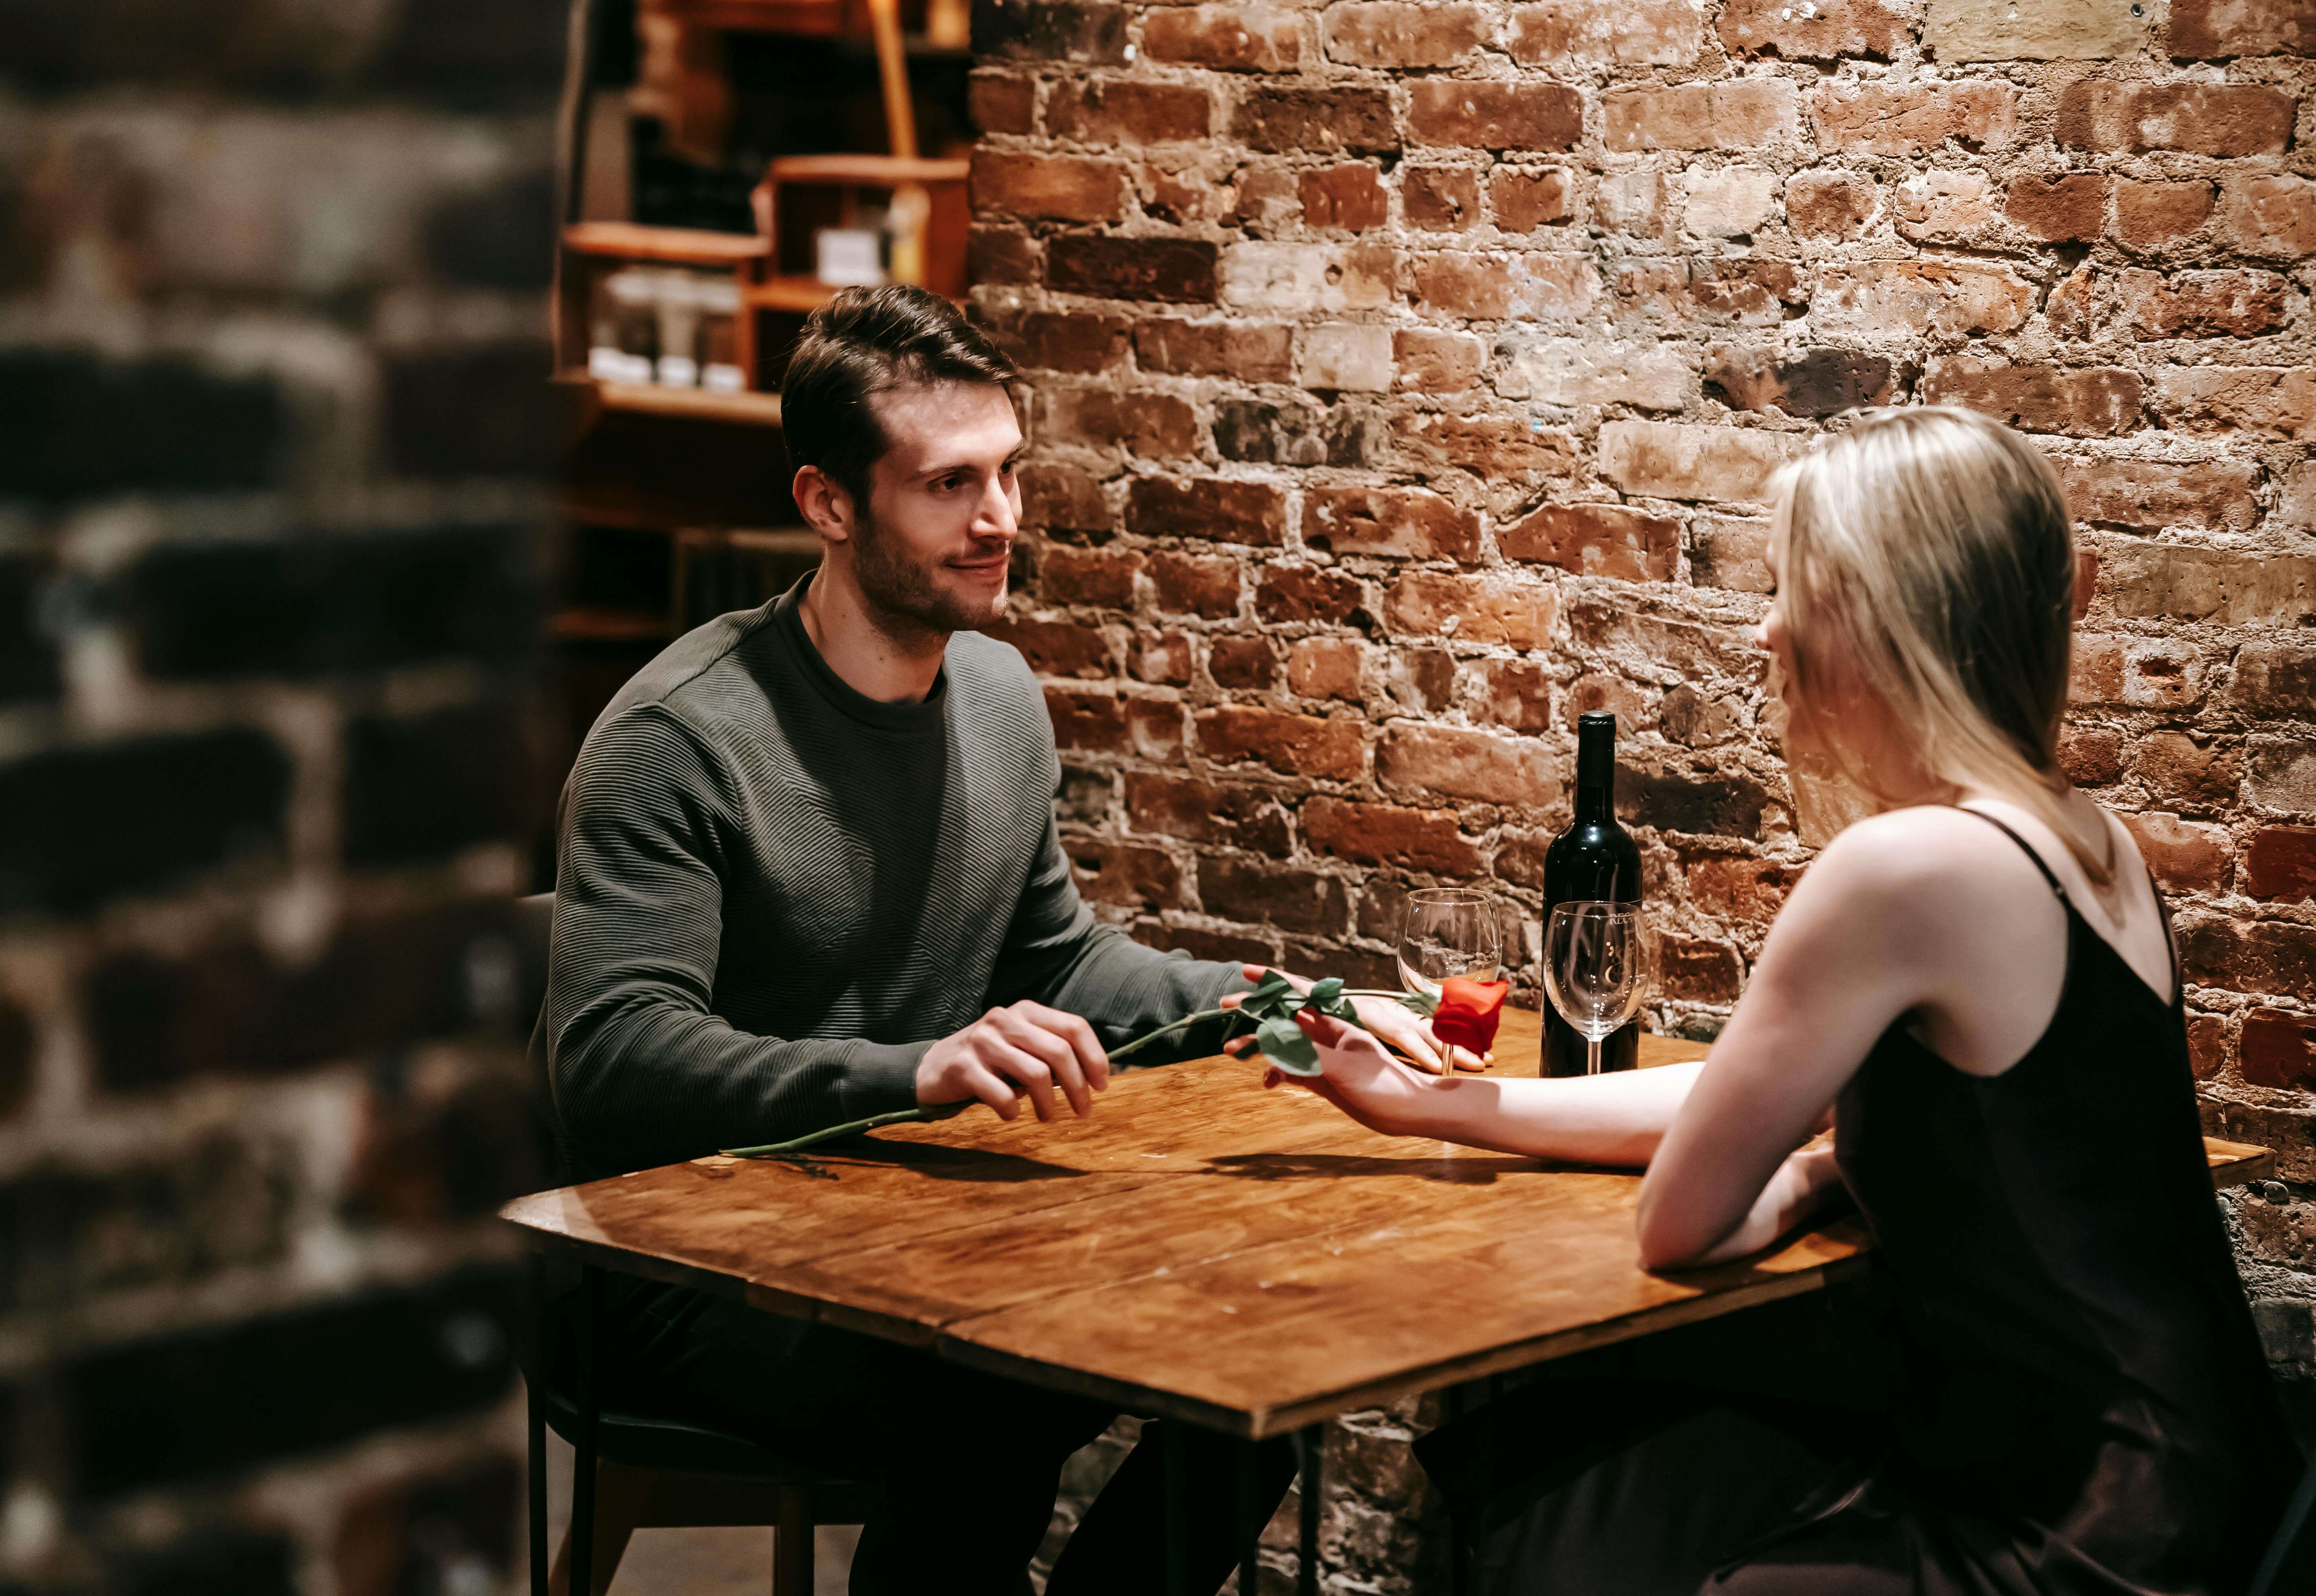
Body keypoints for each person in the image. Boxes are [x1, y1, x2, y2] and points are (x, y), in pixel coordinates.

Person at [1262, 406, 2300, 1594]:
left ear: (1877, 615)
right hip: (2212, 1483)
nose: (1765, 628)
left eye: (1792, 586)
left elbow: (1681, 1222)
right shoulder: (2088, 835)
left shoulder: (1901, 869)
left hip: (2070, 1538)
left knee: (1567, 1488)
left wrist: (1820, 1163)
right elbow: (1752, 1089)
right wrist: (1438, 1106)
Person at [539, 283, 1456, 1593]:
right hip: (670, 1266)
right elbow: (614, 1069)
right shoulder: (674, 743)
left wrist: (1292, 1004)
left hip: (892, 1221)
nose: (1001, 520)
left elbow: (1058, 960)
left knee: (1252, 1357)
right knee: (987, 1389)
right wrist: (916, 1069)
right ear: (829, 504)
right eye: (949, 484)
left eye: (1011, 472)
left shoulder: (995, 691)